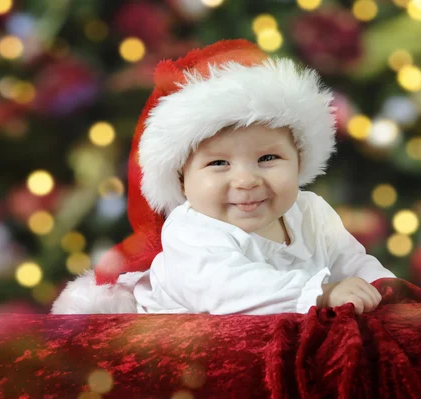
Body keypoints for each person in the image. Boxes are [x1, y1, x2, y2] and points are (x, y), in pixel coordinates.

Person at [51, 39, 395, 316]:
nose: (246, 180)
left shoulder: (311, 212)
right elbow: (228, 288)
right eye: (218, 164)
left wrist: (383, 287)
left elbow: (351, 261)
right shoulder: (191, 231)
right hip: (177, 352)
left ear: (299, 160)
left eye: (268, 158)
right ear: (182, 179)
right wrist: (321, 293)